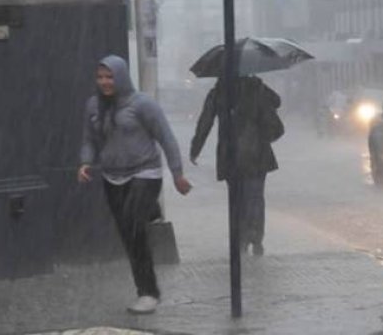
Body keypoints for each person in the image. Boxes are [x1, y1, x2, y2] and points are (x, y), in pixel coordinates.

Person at [77, 55, 191, 315]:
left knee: (133, 227)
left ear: (122, 77)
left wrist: (177, 174)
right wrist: (85, 163)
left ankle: (149, 293)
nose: (105, 82)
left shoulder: (142, 104)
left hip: (144, 173)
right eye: (100, 77)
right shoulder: (94, 106)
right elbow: (88, 140)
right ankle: (148, 213)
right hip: (112, 176)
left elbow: (166, 138)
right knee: (128, 236)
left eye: (110, 77)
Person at [190, 76, 283, 256]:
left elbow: (205, 121)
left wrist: (196, 148)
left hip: (230, 154)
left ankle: (241, 239)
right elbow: (277, 101)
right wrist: (260, 85)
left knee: (237, 199)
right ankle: (255, 239)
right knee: (255, 197)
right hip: (257, 152)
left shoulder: (218, 92)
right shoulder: (256, 88)